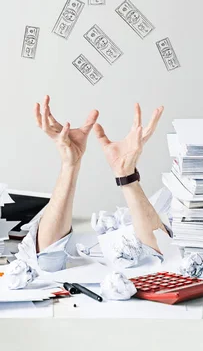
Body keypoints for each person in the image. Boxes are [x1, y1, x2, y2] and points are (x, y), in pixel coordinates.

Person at [18, 95, 165, 273]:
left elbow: (163, 257)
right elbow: (47, 260)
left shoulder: (183, 202)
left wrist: (126, 175)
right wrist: (69, 164)